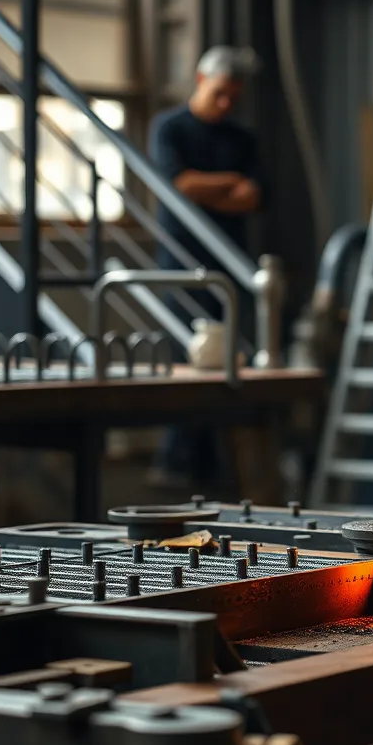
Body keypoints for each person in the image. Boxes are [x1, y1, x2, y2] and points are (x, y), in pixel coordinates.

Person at [147, 45, 263, 486]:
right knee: (186, 360)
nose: (226, 104)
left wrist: (208, 186)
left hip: (228, 267)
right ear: (200, 80)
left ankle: (214, 469)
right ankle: (177, 462)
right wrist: (228, 183)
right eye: (218, 93)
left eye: (233, 96)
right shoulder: (170, 127)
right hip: (179, 264)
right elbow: (181, 184)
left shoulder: (243, 137)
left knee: (226, 364)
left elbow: (253, 196)